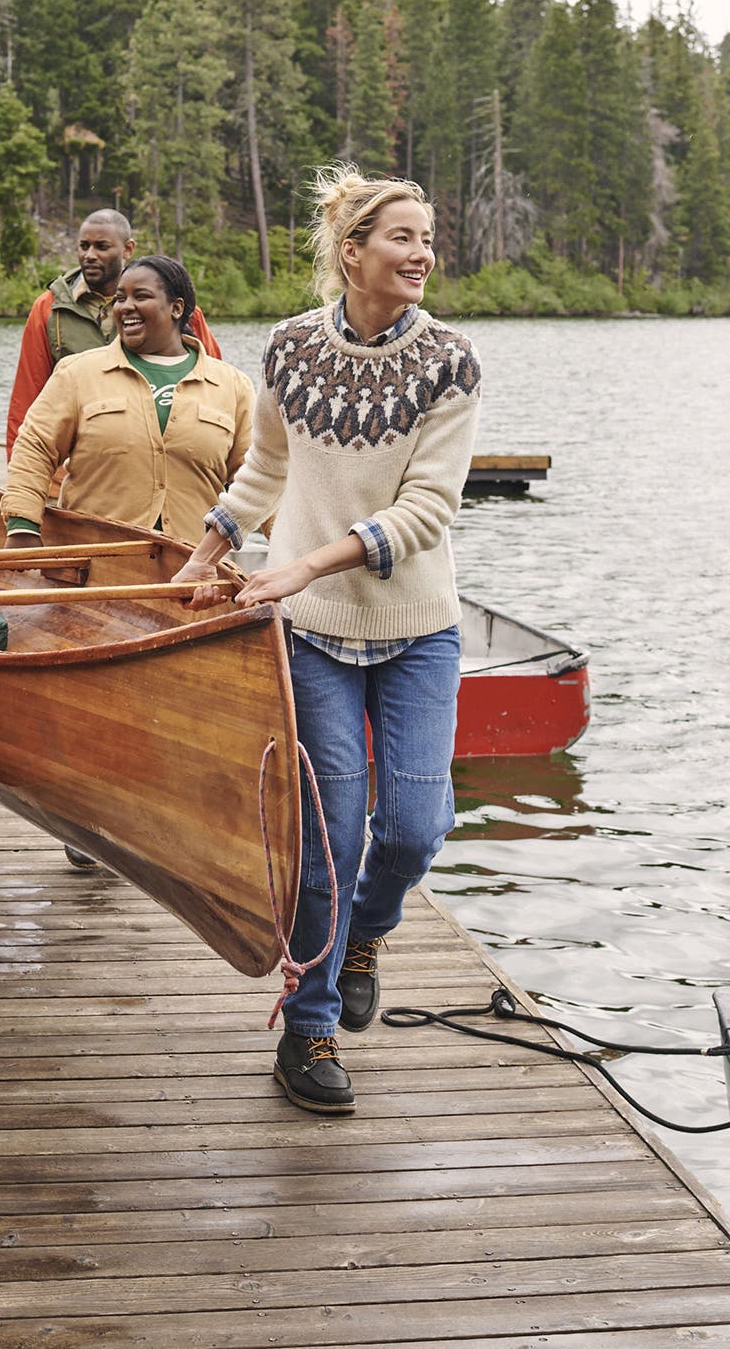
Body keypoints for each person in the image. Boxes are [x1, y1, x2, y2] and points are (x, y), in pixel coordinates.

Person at [172, 166, 480, 1116]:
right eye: (403, 238)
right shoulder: (291, 347)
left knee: (417, 831)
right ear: (353, 251)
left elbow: (428, 508)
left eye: (429, 239)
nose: (423, 254)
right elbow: (269, 462)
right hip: (310, 637)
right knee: (331, 836)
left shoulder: (452, 362)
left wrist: (302, 565)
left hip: (417, 629)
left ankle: (365, 938)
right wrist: (213, 545)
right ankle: (306, 1030)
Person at [0, 253, 249, 546]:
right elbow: (35, 449)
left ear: (177, 308)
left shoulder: (232, 385)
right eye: (120, 298)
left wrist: (291, 556)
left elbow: (257, 477)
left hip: (193, 572)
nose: (125, 307)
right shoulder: (78, 373)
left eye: (140, 296)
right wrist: (23, 526)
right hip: (92, 564)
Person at [3, 209, 222, 452]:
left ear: (128, 249)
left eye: (102, 247)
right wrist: (18, 469)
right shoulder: (49, 308)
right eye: (83, 246)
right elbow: (26, 396)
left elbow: (215, 387)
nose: (90, 255)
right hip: (72, 469)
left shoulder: (175, 310)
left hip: (162, 460)